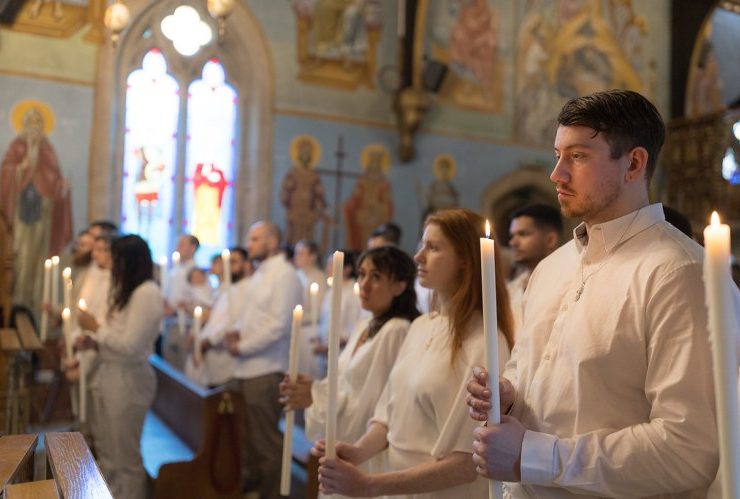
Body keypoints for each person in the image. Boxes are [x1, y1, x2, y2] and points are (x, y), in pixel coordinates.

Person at [466, 90, 739, 497]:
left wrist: (535, 455)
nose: (556, 174)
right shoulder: (551, 268)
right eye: (558, 155)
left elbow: (688, 451)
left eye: (578, 157)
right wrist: (508, 398)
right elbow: (541, 379)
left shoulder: (679, 274)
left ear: (633, 163)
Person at [314, 208, 514, 498]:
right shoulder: (421, 325)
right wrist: (357, 452)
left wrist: (369, 485)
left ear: (464, 261)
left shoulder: (485, 342)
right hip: (395, 486)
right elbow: (387, 414)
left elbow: (467, 461)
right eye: (422, 245)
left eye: (432, 247)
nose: (418, 256)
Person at [281, 245, 420, 495]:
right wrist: (312, 388)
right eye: (362, 274)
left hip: (368, 454)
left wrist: (316, 396)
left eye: (376, 276)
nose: (364, 284)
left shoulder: (397, 330)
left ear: (400, 286)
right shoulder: (365, 324)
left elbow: (377, 403)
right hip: (346, 443)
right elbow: (345, 382)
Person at [74, 235, 162, 499]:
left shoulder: (147, 292)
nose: (110, 263)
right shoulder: (126, 289)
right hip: (109, 374)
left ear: (131, 261)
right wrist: (93, 341)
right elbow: (115, 336)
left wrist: (97, 330)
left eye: (116, 258)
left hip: (129, 380)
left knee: (125, 460)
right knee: (107, 454)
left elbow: (132, 346)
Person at [222, 221, 302, 499]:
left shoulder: (285, 275)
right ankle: (252, 489)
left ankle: (273, 495)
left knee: (265, 442)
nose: (250, 244)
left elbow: (279, 325)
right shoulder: (260, 275)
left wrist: (242, 346)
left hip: (266, 368)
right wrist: (236, 332)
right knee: (247, 440)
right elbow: (253, 315)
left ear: (272, 242)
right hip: (247, 369)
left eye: (255, 239)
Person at [0, 106, 72, 312]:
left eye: (38, 124)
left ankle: (34, 301)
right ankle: (14, 299)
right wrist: (18, 170)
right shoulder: (17, 146)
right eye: (30, 124)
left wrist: (62, 186)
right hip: (20, 214)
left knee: (39, 258)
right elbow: (6, 171)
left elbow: (54, 179)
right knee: (18, 255)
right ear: (23, 125)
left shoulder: (48, 149)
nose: (34, 129)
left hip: (42, 214)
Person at [506, 203, 562, 333]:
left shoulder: (568, 282)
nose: (513, 242)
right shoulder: (511, 289)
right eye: (512, 236)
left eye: (523, 234)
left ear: (550, 239)